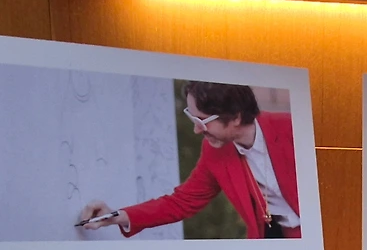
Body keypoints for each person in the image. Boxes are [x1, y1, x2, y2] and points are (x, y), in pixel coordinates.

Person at [78, 81, 300, 239]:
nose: (196, 130)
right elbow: (182, 201)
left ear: (235, 117)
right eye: (192, 118)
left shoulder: (294, 130)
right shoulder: (215, 150)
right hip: (275, 247)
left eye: (202, 121)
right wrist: (117, 216)